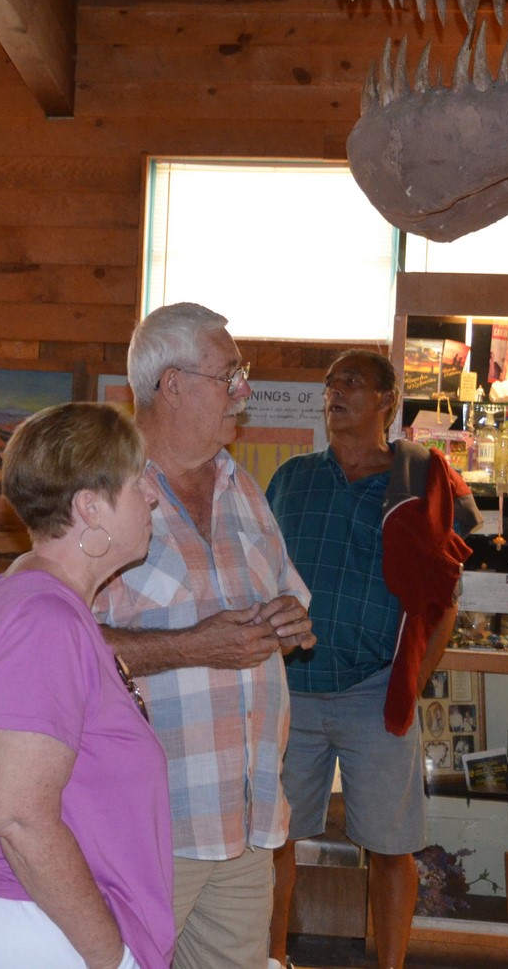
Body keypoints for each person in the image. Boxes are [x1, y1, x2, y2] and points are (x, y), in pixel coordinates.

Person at [92, 302, 315, 969]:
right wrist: (192, 647)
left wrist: (289, 624)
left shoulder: (241, 486)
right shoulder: (101, 489)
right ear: (172, 384)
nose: (243, 392)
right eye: (229, 376)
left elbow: (288, 601)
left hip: (245, 822)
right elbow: (60, 648)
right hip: (147, 827)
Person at [0, 402, 175, 969]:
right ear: (90, 506)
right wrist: (111, 955)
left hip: (30, 919)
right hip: (29, 925)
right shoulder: (45, 618)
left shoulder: (40, 601)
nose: (153, 497)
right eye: (139, 482)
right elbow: (15, 811)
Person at [265, 351, 476, 969]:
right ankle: (274, 961)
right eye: (330, 383)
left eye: (352, 383)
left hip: (375, 694)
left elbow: (443, 603)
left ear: (387, 399)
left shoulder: (414, 483)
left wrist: (411, 684)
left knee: (392, 847)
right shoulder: (292, 478)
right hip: (292, 689)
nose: (335, 392)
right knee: (275, 839)